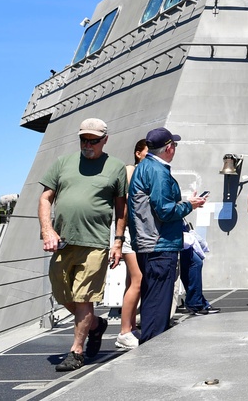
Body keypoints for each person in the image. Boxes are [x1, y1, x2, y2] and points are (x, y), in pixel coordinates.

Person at [38, 118, 127, 372]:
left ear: (105, 140)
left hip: (95, 243)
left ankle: (76, 351)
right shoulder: (63, 163)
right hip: (63, 242)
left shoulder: (115, 167)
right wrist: (47, 229)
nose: (87, 144)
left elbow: (121, 208)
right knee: (61, 293)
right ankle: (96, 325)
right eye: (83, 139)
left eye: (93, 140)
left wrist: (117, 242)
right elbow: (45, 198)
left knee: (84, 297)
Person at [128, 126, 206, 343]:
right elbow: (165, 210)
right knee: (158, 304)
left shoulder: (144, 167)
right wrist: (189, 206)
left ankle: (151, 348)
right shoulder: (158, 171)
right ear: (169, 148)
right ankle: (152, 352)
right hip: (160, 245)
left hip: (148, 243)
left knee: (152, 298)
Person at [115, 139, 146, 351]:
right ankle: (124, 331)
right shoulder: (129, 170)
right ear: (137, 153)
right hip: (128, 233)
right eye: (147, 152)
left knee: (131, 282)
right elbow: (126, 203)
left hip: (136, 233)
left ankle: (131, 327)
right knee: (138, 280)